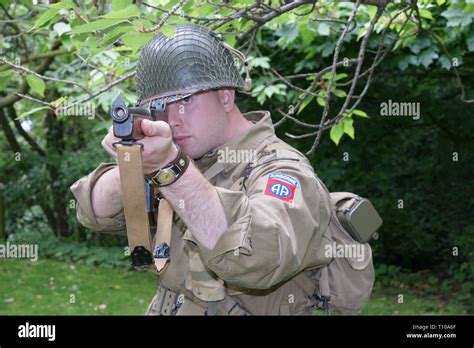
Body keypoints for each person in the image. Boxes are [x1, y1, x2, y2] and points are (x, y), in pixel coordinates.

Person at [70, 23, 333, 315]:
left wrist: (170, 167)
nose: (173, 118)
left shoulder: (282, 168)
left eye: (184, 100)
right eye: (159, 107)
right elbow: (93, 211)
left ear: (225, 96)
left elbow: (256, 256)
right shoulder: (190, 161)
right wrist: (133, 161)